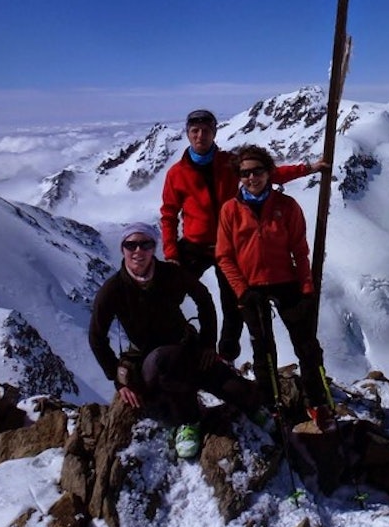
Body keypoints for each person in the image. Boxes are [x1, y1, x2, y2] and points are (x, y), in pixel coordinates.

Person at [160, 109, 326, 363]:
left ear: (214, 133)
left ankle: (226, 357)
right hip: (194, 245)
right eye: (195, 131)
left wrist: (308, 169)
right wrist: (171, 254)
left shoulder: (229, 163)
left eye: (206, 131)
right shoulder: (177, 173)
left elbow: (268, 173)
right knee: (170, 295)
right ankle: (173, 349)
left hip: (230, 244)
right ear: (188, 134)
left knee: (235, 303)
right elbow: (169, 214)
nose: (200, 136)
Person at [88, 222, 262, 458]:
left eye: (145, 244)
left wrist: (208, 343)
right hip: (152, 362)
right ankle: (188, 421)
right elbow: (96, 337)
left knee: (237, 390)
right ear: (123, 249)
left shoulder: (169, 274)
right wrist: (120, 381)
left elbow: (204, 299)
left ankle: (252, 403)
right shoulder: (114, 289)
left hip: (188, 348)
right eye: (131, 245)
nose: (138, 251)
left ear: (153, 248)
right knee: (166, 361)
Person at [215, 144, 334, 432]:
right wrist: (241, 290)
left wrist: (306, 287)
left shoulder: (287, 206)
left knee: (307, 346)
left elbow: (300, 251)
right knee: (263, 349)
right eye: (245, 173)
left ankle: (317, 401)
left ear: (269, 173)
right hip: (251, 286)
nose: (252, 177)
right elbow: (224, 255)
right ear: (239, 177)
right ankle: (270, 403)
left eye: (257, 171)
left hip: (286, 282)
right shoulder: (230, 210)